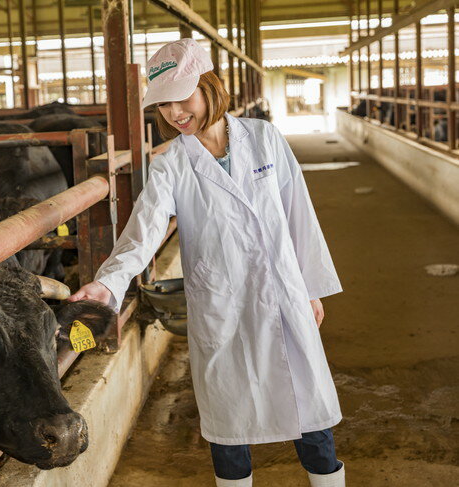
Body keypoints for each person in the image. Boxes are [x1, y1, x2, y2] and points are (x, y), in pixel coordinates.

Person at [68, 39, 346, 487]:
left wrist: (310, 286)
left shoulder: (264, 138)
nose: (176, 112)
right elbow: (144, 231)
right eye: (164, 105)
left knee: (311, 414)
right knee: (228, 425)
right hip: (223, 307)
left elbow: (299, 215)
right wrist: (109, 284)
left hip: (281, 296)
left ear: (209, 85)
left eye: (184, 96)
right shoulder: (171, 165)